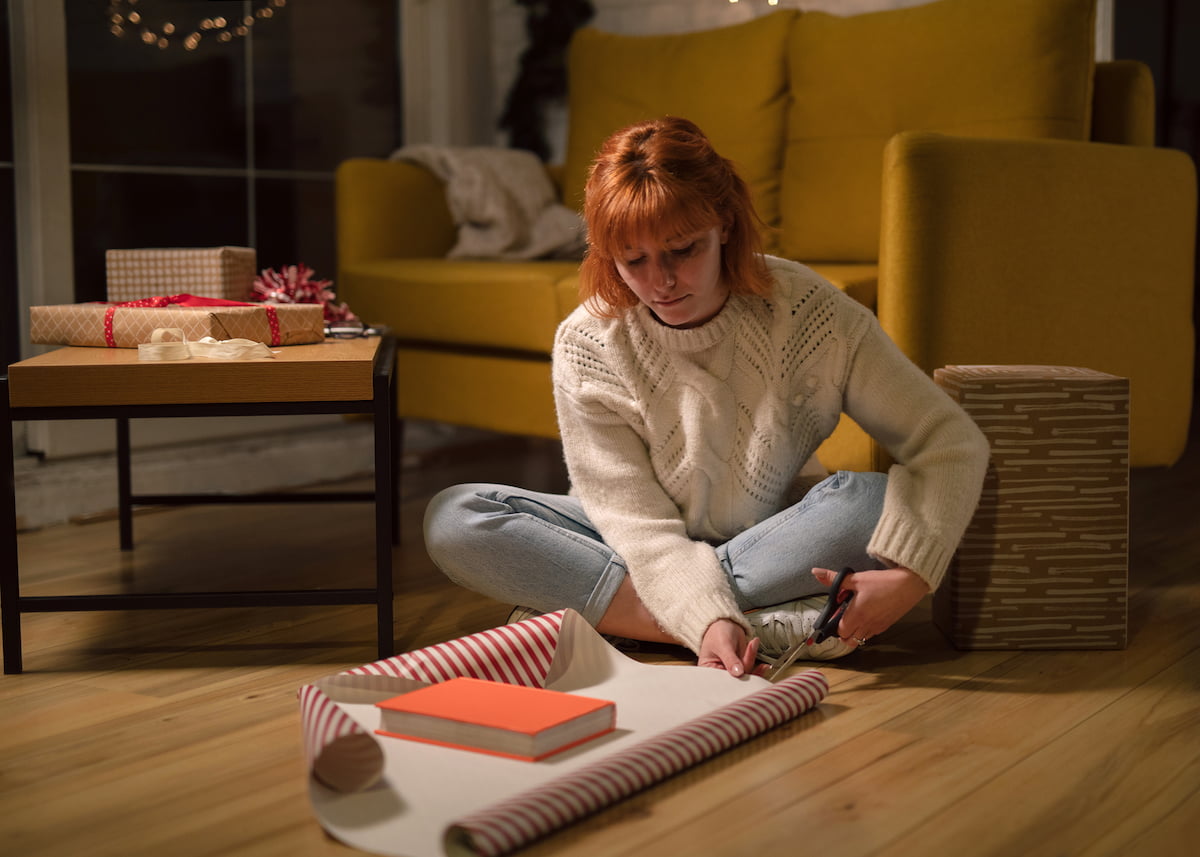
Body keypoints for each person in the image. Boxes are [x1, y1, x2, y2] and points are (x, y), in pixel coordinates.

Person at [424, 116, 989, 677]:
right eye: (633, 260)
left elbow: (948, 439)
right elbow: (635, 520)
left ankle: (610, 615)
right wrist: (705, 616)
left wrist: (914, 576)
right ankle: (749, 625)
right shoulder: (588, 342)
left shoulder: (811, 311)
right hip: (632, 541)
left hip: (774, 535)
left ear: (723, 223)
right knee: (456, 518)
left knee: (870, 501)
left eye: (682, 249)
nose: (661, 281)